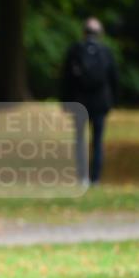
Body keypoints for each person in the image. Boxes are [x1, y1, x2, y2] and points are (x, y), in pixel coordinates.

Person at [59, 17, 119, 185]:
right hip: (101, 103)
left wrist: (65, 101)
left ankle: (82, 176)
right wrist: (113, 101)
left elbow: (66, 79)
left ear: (84, 32)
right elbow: (114, 79)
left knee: (79, 140)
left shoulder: (75, 51)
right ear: (99, 33)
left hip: (79, 102)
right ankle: (96, 178)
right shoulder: (106, 52)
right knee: (98, 141)